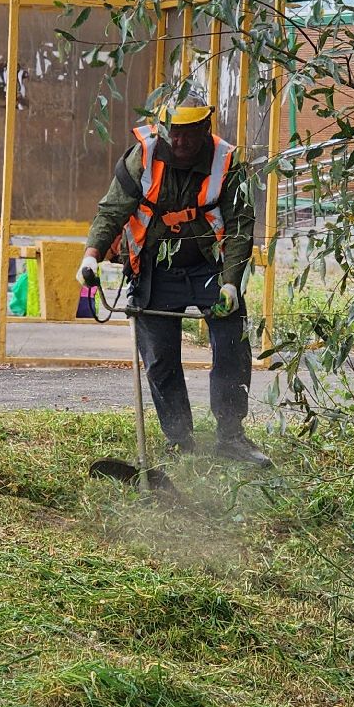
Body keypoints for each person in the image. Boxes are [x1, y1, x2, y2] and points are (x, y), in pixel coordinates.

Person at [80, 94, 272, 467]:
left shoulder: (227, 162)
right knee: (159, 359)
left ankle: (231, 438)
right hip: (154, 269)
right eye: (173, 132)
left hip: (210, 268)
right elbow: (112, 211)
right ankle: (180, 440)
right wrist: (91, 256)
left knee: (232, 346)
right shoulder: (144, 156)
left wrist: (231, 283)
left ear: (205, 128)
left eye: (187, 133)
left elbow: (239, 229)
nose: (179, 141)